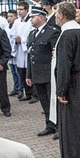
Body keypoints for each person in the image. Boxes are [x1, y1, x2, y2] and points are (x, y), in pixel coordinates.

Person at [53, 2, 80, 158]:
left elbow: (64, 64)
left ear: (62, 15)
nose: (55, 16)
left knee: (72, 119)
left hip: (72, 81)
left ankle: (77, 156)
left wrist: (61, 89)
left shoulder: (67, 34)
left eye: (56, 13)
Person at [26, 7, 60, 136]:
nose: (31, 20)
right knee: (44, 101)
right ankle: (49, 124)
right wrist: (29, 74)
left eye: (33, 17)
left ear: (41, 17)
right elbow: (31, 56)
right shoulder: (32, 33)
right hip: (37, 73)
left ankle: (58, 126)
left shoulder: (52, 32)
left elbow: (55, 55)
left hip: (49, 73)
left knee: (53, 101)